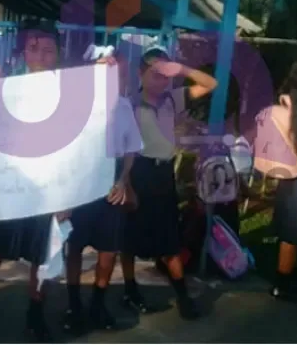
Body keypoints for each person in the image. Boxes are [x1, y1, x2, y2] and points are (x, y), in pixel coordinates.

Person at [0, 20, 68, 343]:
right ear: (24, 52)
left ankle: (35, 318)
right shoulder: (2, 88)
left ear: (58, 55)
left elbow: (75, 148)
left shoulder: (69, 96)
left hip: (46, 190)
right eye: (35, 47)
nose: (42, 55)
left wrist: (68, 198)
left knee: (41, 256)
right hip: (6, 186)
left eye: (49, 49)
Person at [119, 46, 217, 320]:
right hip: (138, 171)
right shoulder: (130, 103)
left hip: (163, 175)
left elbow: (210, 84)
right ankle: (130, 290)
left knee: (169, 239)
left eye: (165, 73)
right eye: (155, 72)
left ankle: (183, 296)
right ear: (141, 73)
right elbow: (124, 146)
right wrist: (125, 183)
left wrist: (182, 70)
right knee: (129, 237)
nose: (161, 79)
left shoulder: (173, 99)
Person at [63, 53, 142, 336]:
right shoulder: (75, 105)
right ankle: (73, 304)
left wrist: (123, 180)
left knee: (109, 250)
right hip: (80, 185)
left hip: (111, 187)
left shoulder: (123, 107)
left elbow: (131, 148)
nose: (112, 79)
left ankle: (98, 303)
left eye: (118, 75)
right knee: (74, 248)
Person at [254, 46, 297, 304]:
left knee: (295, 222)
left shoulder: (294, 90)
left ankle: (293, 273)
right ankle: (283, 282)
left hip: (292, 164)